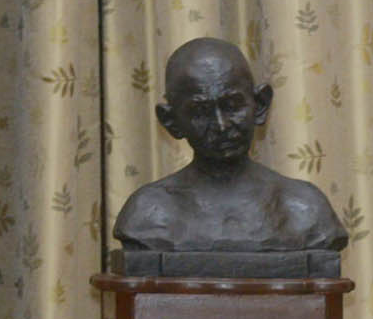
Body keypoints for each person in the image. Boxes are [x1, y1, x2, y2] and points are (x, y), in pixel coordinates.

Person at [113, 38, 349, 257]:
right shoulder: (149, 214)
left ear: (260, 105)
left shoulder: (304, 211)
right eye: (200, 111)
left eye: (232, 105)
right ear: (171, 121)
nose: (221, 125)